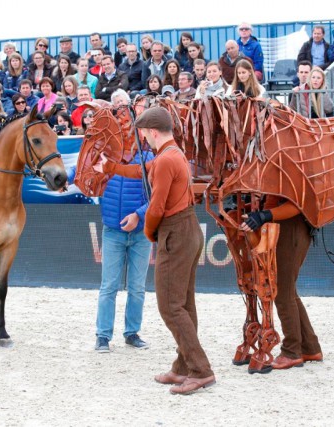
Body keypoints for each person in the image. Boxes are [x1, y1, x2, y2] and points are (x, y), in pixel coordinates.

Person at [94, 107, 216, 395]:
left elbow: (157, 207)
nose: (143, 139)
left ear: (152, 131)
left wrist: (149, 233)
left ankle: (200, 370)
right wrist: (110, 168)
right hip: (188, 230)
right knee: (183, 304)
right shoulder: (173, 155)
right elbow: (140, 170)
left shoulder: (165, 159)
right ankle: (184, 366)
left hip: (175, 232)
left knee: (170, 307)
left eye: (144, 134)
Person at [94, 89, 154, 354]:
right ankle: (103, 336)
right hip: (113, 230)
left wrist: (139, 215)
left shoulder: (148, 156)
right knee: (108, 287)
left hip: (140, 232)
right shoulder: (105, 154)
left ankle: (131, 333)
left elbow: (157, 197)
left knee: (137, 288)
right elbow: (85, 173)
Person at [239, 201, 323, 370]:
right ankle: (309, 347)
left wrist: (264, 215)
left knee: (283, 291)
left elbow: (298, 204)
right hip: (286, 227)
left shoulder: (289, 174)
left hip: (291, 228)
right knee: (288, 290)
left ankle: (292, 352)